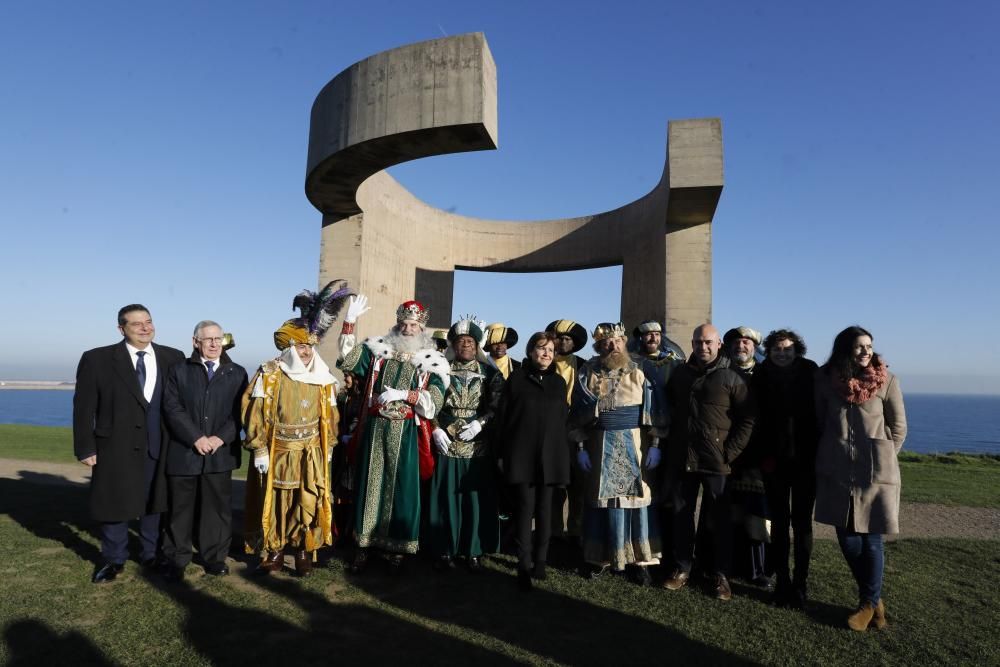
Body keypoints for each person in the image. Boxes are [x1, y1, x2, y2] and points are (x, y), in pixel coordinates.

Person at [243, 282, 349, 576]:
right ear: (289, 346)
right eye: (300, 346)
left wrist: (328, 446)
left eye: (310, 346)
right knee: (277, 500)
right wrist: (259, 448)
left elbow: (330, 415)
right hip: (278, 450)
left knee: (308, 499)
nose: (305, 352)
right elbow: (253, 412)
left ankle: (304, 551)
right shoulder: (270, 373)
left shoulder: (324, 377)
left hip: (310, 451)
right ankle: (275, 551)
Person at [73, 304, 185, 583]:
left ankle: (152, 555)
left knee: (155, 504)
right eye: (137, 324)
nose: (145, 328)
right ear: (121, 328)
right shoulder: (97, 359)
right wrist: (86, 447)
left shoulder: (174, 357)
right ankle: (113, 560)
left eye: (148, 321)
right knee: (115, 504)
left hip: (160, 445)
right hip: (114, 446)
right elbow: (83, 408)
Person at [338, 296, 449, 573]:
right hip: (376, 429)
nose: (408, 328)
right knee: (371, 484)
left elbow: (435, 400)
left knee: (402, 488)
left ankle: (397, 549)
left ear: (421, 328)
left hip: (407, 434)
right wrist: (349, 322)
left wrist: (405, 395)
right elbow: (348, 360)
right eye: (404, 323)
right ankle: (364, 546)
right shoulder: (379, 350)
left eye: (413, 324)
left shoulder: (432, 359)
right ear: (397, 324)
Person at [814, 326, 906, 631]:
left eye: (869, 346)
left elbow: (899, 426)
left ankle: (867, 604)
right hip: (837, 467)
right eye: (859, 346)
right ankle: (875, 601)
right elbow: (818, 420)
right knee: (848, 539)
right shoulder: (826, 381)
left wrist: (884, 454)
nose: (866, 351)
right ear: (845, 349)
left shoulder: (886, 380)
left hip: (875, 472)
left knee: (871, 538)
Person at [662, 324, 755, 601]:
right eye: (698, 342)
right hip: (683, 458)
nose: (703, 347)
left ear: (718, 345)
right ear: (692, 344)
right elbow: (670, 408)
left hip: (718, 461)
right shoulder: (680, 374)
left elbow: (748, 418)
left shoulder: (732, 376)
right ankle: (681, 568)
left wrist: (729, 452)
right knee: (681, 515)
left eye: (708, 343)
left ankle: (721, 575)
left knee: (720, 520)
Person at [571, 322, 665, 585]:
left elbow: (655, 409)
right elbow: (577, 413)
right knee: (603, 502)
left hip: (636, 444)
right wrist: (580, 448)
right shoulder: (587, 371)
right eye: (607, 342)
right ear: (600, 346)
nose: (613, 346)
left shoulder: (642, 370)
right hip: (599, 445)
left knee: (636, 501)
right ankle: (600, 557)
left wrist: (656, 445)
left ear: (625, 342)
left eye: (617, 341)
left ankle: (640, 560)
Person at [161, 320, 248, 580]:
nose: (213, 344)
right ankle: (177, 558)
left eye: (218, 339)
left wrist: (221, 438)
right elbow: (172, 408)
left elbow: (241, 412)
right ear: (195, 341)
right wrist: (196, 437)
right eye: (208, 339)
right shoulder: (179, 370)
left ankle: (215, 558)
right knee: (179, 510)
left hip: (220, 454)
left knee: (217, 510)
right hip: (184, 452)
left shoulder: (237, 372)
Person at [427, 316, 504, 572]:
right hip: (447, 443)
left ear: (477, 345)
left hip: (477, 445)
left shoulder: (490, 373)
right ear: (454, 344)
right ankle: (445, 548)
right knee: (446, 497)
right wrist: (436, 428)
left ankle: (473, 550)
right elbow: (431, 403)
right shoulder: (440, 369)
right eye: (461, 341)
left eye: (470, 341)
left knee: (474, 499)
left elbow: (497, 406)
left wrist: (481, 423)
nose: (466, 345)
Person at [495, 332, 570, 590]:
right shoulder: (516, 380)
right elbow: (504, 419)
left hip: (550, 457)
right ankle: (523, 563)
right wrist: (502, 454)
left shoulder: (559, 384)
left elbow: (562, 421)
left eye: (550, 350)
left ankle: (541, 560)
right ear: (530, 351)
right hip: (522, 455)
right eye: (541, 348)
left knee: (546, 511)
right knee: (525, 510)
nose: (546, 353)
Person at [752, 329, 819, 608]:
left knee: (802, 525)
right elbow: (754, 417)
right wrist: (762, 457)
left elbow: (822, 411)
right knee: (778, 525)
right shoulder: (761, 373)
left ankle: (800, 585)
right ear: (769, 350)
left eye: (788, 349)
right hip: (773, 462)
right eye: (777, 349)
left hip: (806, 461)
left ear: (797, 350)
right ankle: (782, 582)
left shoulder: (811, 371)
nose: (782, 353)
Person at [722, 326, 770, 588]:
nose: (741, 346)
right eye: (737, 342)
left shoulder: (765, 374)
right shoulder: (721, 372)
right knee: (726, 513)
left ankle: (756, 569)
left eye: (746, 342)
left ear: (754, 347)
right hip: (726, 452)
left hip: (758, 454)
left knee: (757, 515)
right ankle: (723, 565)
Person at [545, 319, 589, 542]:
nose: (563, 342)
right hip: (552, 433)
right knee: (555, 487)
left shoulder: (584, 365)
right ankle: (553, 532)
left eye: (567, 339)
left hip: (577, 432)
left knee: (578, 487)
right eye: (560, 338)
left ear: (574, 343)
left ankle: (575, 532)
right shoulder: (544, 364)